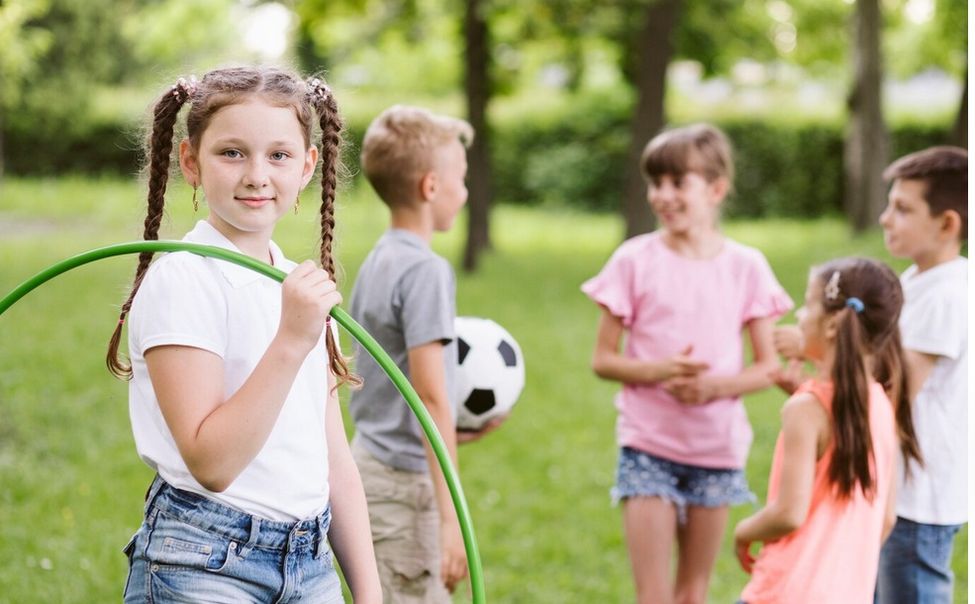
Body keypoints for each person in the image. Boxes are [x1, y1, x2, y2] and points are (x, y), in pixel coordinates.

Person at [106, 66, 381, 602]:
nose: (257, 174)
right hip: (205, 562)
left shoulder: (297, 283)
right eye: (232, 153)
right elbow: (213, 463)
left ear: (307, 166)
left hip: (310, 561)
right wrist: (292, 340)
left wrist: (369, 594)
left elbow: (333, 457)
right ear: (191, 161)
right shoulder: (184, 280)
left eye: (278, 155)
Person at [582, 123, 792, 604]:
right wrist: (659, 371)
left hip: (716, 450)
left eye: (679, 183)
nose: (663, 195)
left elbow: (768, 367)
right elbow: (603, 359)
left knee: (692, 595)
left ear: (716, 189)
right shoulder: (633, 260)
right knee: (653, 596)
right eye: (656, 183)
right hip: (647, 445)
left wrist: (713, 388)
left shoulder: (747, 266)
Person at [348, 105, 500, 603]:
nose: (466, 191)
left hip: (370, 465)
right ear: (432, 187)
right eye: (462, 178)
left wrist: (461, 433)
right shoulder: (426, 271)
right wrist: (451, 522)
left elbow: (392, 382)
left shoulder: (379, 258)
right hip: (404, 492)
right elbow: (432, 398)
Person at [734, 257, 922, 603]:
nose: (800, 317)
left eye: (807, 305)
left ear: (833, 325)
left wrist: (743, 532)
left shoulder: (806, 410)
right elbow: (887, 518)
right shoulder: (881, 404)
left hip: (784, 592)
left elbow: (789, 513)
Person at [874, 146, 968, 603]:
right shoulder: (918, 280)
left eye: (902, 208)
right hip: (899, 491)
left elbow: (893, 389)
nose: (885, 218)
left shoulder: (948, 293)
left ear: (947, 224)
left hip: (919, 499)